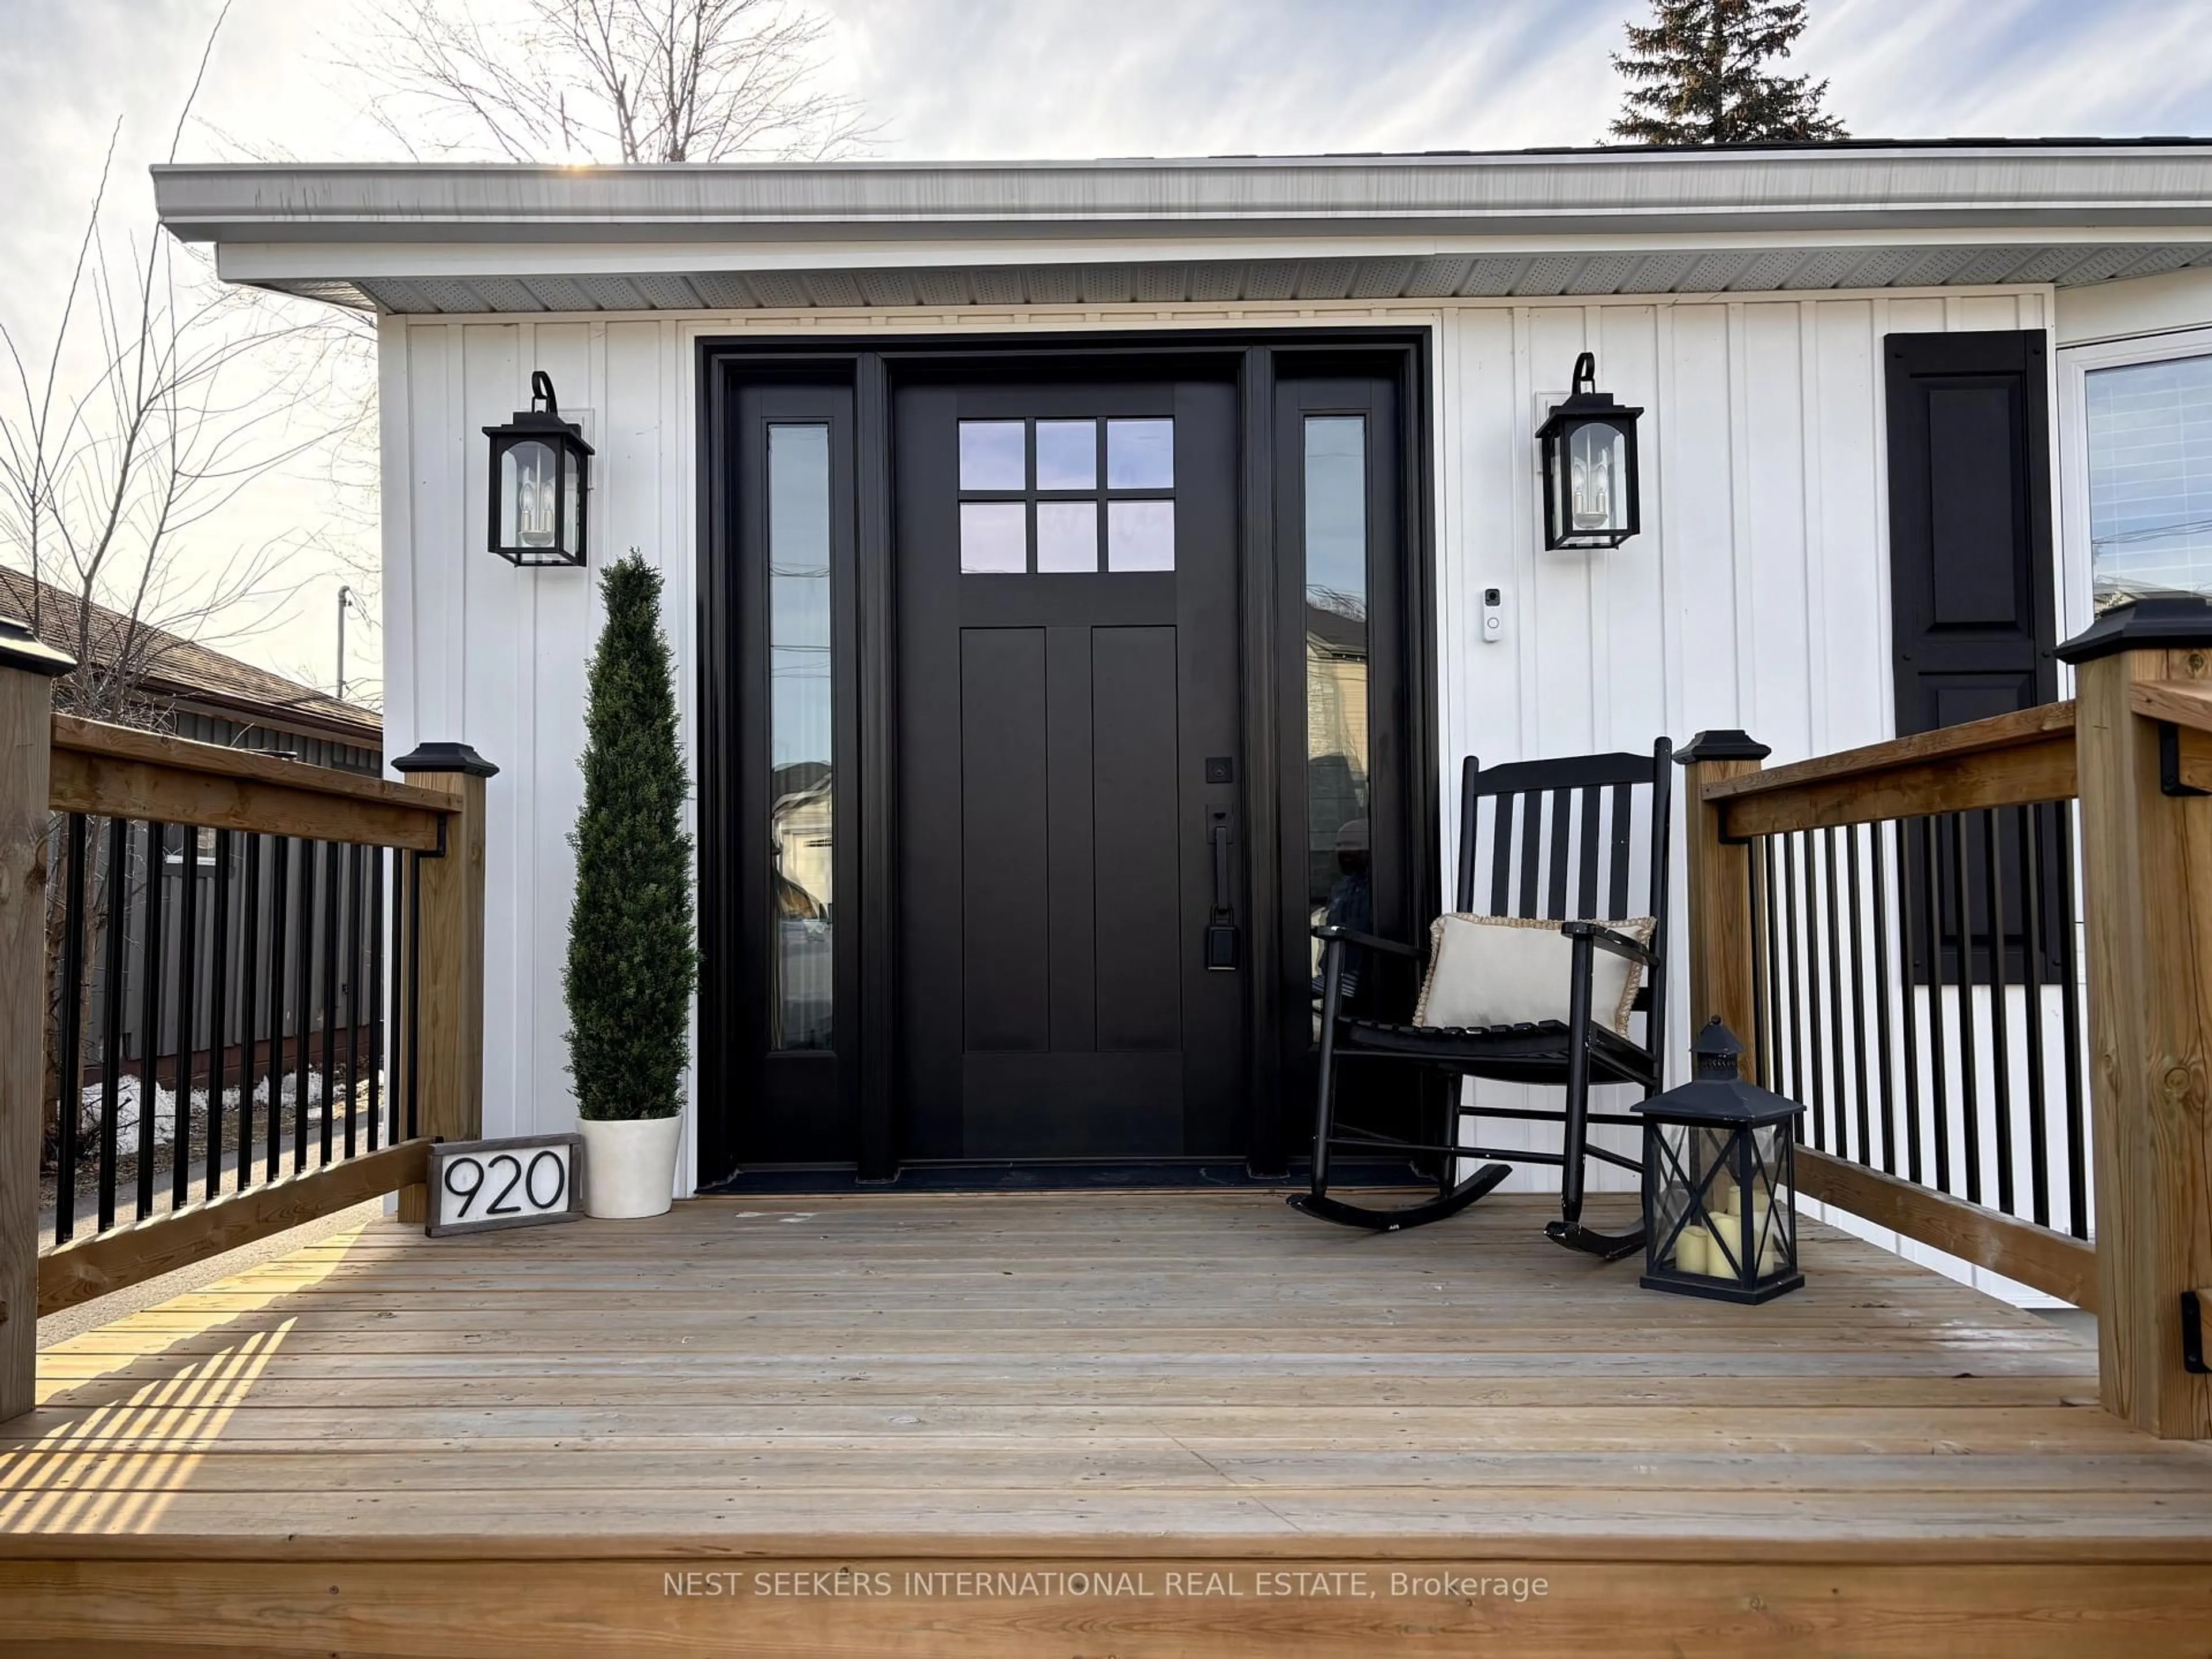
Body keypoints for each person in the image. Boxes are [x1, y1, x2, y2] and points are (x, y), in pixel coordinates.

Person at [1312, 817, 1373, 1003]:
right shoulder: (1341, 887)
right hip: (1333, 972)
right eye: (1339, 845)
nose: (1343, 851)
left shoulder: (1378, 889)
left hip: (1362, 979)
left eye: (1352, 845)